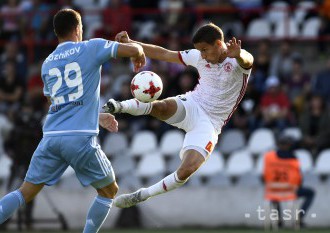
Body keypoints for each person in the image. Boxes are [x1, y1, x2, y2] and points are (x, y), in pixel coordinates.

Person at [0, 8, 146, 233]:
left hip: (51, 138)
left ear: (56, 32)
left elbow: (59, 103)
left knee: (24, 192)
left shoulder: (47, 63)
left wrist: (96, 117)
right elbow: (134, 49)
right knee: (109, 191)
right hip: (79, 139)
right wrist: (137, 51)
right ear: (79, 28)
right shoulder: (91, 47)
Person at [103, 23, 254, 208]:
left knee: (186, 171)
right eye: (200, 51)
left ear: (218, 43)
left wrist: (238, 54)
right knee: (161, 107)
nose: (203, 56)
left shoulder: (236, 60)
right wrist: (131, 44)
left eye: (205, 50)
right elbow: (165, 54)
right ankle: (117, 106)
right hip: (193, 104)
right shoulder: (198, 56)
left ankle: (142, 195)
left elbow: (248, 60)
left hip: (210, 124)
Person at [263, 135, 315, 228]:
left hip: (275, 189)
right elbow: (298, 177)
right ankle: (299, 218)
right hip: (291, 190)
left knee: (273, 197)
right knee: (311, 193)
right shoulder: (292, 157)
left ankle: (278, 222)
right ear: (289, 145)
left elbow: (266, 175)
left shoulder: (270, 157)